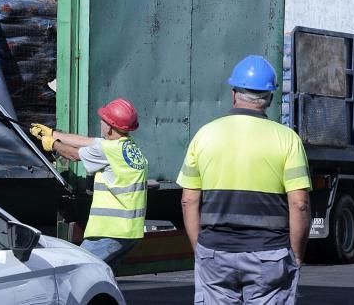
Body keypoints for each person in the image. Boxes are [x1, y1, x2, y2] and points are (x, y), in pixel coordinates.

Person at [177, 55, 311, 304]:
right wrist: (296, 254)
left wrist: (201, 249)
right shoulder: (287, 140)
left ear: (233, 93)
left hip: (214, 251)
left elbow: (188, 200)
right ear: (269, 98)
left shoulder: (204, 135)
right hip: (269, 253)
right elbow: (299, 203)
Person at [30, 98, 148, 268]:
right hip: (129, 232)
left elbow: (74, 154)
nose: (100, 122)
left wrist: (53, 144)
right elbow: (87, 141)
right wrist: (53, 133)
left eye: (104, 120)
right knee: (101, 277)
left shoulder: (108, 150)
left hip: (109, 231)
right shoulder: (127, 146)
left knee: (77, 270)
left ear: (110, 126)